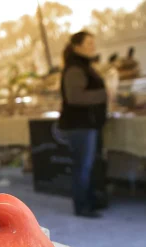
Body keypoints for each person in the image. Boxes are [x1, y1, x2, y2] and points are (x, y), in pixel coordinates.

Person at [60, 31, 107, 218]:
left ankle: (91, 200)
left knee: (89, 164)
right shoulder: (75, 68)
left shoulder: (84, 66)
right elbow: (75, 97)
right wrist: (105, 93)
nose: (92, 46)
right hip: (79, 126)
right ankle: (82, 206)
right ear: (77, 46)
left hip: (88, 125)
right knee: (83, 166)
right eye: (88, 43)